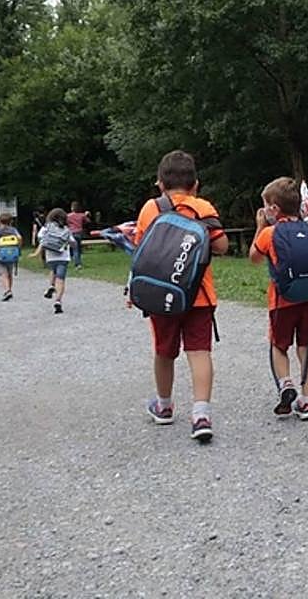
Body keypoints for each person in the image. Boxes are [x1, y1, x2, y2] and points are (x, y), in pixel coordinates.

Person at [131, 150, 228, 441]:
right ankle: (201, 414)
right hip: (199, 296)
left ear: (160, 183)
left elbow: (141, 250)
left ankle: (164, 406)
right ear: (195, 184)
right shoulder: (203, 207)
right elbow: (221, 245)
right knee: (199, 352)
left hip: (162, 296)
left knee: (164, 352)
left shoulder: (152, 208)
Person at [249, 177, 308, 420]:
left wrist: (259, 226)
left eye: (265, 205)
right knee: (306, 348)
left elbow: (254, 258)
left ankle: (286, 384)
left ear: (274, 209)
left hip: (282, 300)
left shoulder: (269, 232)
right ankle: (307, 402)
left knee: (278, 345)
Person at [35, 209, 74, 314]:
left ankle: (51, 285)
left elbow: (39, 236)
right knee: (61, 279)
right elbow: (72, 242)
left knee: (52, 270)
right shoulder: (66, 229)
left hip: (51, 256)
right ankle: (58, 301)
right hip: (63, 256)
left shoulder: (47, 227)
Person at [0, 213, 23, 302]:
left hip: (0, 255)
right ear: (11, 222)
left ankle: (7, 291)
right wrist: (19, 248)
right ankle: (9, 289)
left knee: (3, 274)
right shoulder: (13, 230)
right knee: (9, 273)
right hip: (12, 254)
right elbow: (19, 237)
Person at [66, 202, 88, 269]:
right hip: (79, 233)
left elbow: (65, 223)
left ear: (72, 208)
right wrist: (86, 215)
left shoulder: (68, 216)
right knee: (77, 249)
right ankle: (77, 263)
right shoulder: (82, 215)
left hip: (71, 233)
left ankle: (76, 263)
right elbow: (87, 221)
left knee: (73, 249)